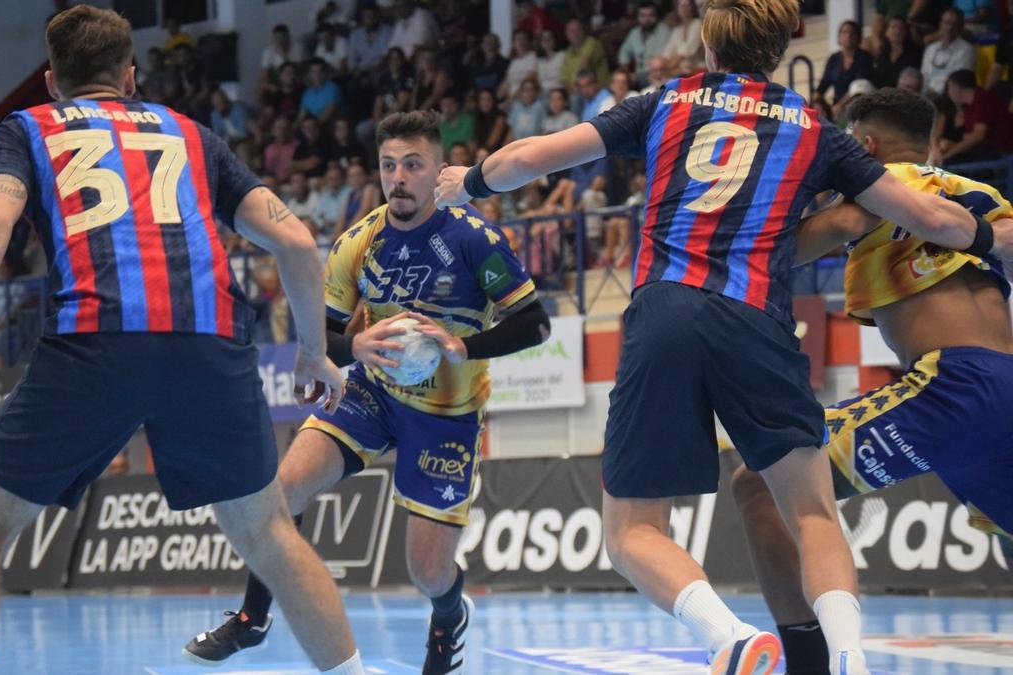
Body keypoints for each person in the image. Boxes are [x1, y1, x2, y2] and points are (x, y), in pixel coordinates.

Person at [434, 1, 1013, 672]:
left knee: (631, 530)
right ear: (777, 50)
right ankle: (849, 656)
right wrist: (985, 237)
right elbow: (924, 216)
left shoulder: (664, 101)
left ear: (707, 50)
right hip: (759, 318)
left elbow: (529, 157)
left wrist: (467, 181)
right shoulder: (816, 128)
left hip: (667, 309)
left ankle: (731, 637)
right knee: (814, 512)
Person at [0, 7, 363, 675]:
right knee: (267, 530)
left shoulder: (28, 128)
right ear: (130, 77)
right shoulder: (191, 134)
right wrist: (314, 348)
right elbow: (295, 240)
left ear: (52, 81)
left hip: (96, 340)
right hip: (211, 343)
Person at [184, 111, 551, 674]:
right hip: (370, 393)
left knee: (427, 572)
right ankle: (253, 618)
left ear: (438, 172)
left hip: (446, 415)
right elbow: (321, 336)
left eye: (412, 165)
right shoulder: (358, 243)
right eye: (388, 166)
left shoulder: (475, 240)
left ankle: (449, 616)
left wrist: (462, 347)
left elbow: (535, 324)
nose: (399, 177)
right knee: (280, 495)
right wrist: (352, 348)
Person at [731, 86, 1013, 675]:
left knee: (758, 482)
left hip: (955, 385)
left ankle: (807, 664)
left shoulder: (880, 185)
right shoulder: (978, 193)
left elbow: (796, 246)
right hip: (1003, 380)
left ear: (862, 144)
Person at [936, 68, 1013, 163]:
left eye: (949, 88)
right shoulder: (968, 108)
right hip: (986, 153)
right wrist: (950, 145)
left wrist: (950, 153)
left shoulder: (983, 100)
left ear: (956, 88)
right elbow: (968, 139)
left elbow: (978, 135)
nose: (948, 93)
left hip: (1002, 154)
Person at [815, 21, 875, 110]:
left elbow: (858, 87)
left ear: (858, 37)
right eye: (844, 32)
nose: (848, 36)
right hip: (836, 106)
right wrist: (815, 98)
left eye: (852, 33)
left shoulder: (865, 57)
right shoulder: (834, 59)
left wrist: (840, 105)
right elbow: (824, 83)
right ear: (839, 38)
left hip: (858, 104)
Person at [921, 8, 975, 95]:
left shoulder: (966, 49)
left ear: (961, 27)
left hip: (949, 96)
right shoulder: (931, 49)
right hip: (927, 94)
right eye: (946, 23)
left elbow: (960, 82)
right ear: (940, 25)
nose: (949, 28)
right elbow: (924, 76)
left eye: (954, 24)